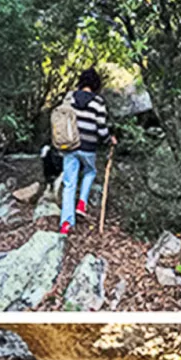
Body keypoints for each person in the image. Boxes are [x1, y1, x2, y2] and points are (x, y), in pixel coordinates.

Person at [57, 68, 114, 236]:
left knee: (69, 183)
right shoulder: (98, 102)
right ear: (96, 84)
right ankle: (81, 203)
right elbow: (101, 128)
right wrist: (109, 140)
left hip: (69, 145)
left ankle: (65, 224)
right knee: (90, 171)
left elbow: (60, 119)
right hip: (88, 147)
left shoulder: (69, 97)